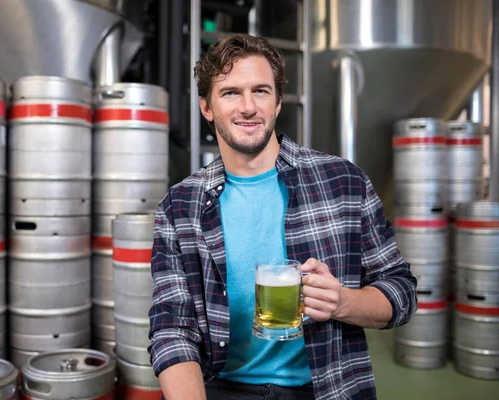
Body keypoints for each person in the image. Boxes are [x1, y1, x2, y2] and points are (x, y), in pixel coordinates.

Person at [148, 33, 417, 400]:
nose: (248, 107)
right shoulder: (180, 207)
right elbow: (171, 329)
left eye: (260, 91)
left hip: (326, 387)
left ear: (277, 103)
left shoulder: (343, 183)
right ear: (206, 107)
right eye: (230, 93)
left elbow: (401, 291)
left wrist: (343, 302)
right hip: (220, 387)